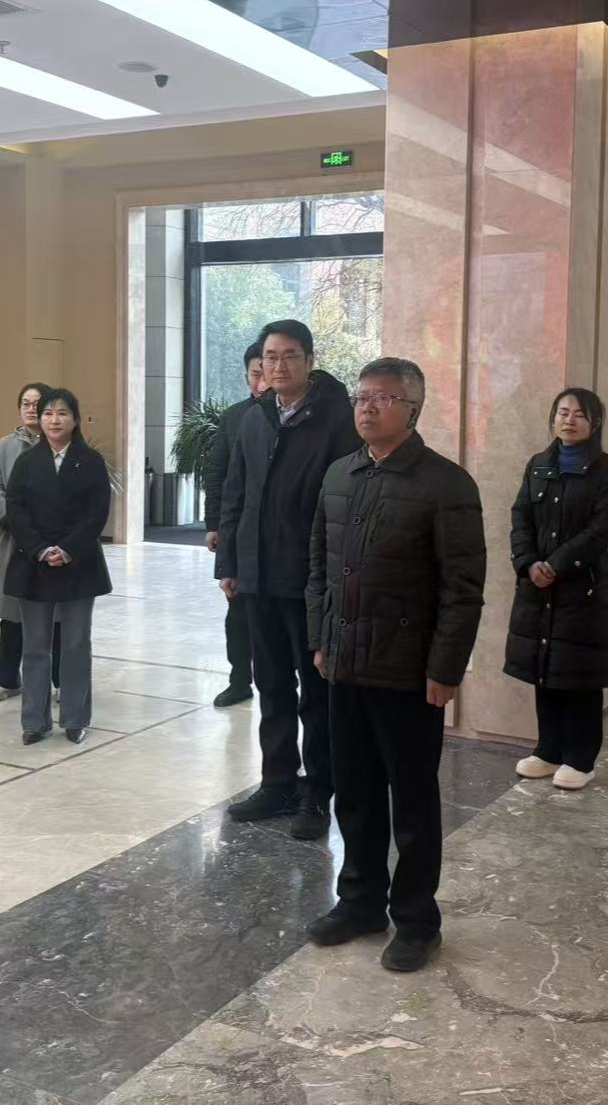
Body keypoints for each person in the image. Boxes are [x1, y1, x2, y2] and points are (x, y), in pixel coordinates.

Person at [305, 358, 485, 973]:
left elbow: (462, 588)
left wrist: (445, 669)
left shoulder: (446, 484)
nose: (366, 406)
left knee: (411, 803)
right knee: (354, 795)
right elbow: (319, 567)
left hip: (408, 672)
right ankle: (359, 902)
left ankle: (416, 920)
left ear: (413, 409)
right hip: (344, 664)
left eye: (382, 398)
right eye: (361, 396)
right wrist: (321, 639)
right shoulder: (339, 474)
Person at [218, 319, 363, 840]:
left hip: (308, 581)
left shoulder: (337, 419)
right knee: (271, 687)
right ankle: (277, 783)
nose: (278, 366)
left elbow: (344, 506)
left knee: (316, 695)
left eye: (290, 356)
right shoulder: (255, 417)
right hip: (257, 577)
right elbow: (235, 492)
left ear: (310, 360)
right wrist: (229, 563)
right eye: (270, 357)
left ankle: (317, 793)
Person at [503, 388, 608, 789]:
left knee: (580, 674)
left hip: (580, 589)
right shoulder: (538, 464)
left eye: (579, 414)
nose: (569, 420)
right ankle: (548, 750)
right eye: (562, 412)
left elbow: (602, 529)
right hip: (538, 587)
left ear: (595, 423)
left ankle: (580, 758)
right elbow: (520, 517)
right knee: (546, 668)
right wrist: (527, 563)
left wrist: (556, 565)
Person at [4, 387, 112, 746]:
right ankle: (34, 722)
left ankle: (76, 718)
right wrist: (40, 548)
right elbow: (15, 509)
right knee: (35, 646)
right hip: (33, 563)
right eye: (48, 413)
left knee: (76, 644)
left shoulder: (91, 461)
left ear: (75, 420)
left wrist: (66, 549)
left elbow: (97, 513)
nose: (54, 420)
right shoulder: (26, 461)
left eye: (62, 413)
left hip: (78, 563)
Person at [0, 382, 60, 702]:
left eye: (36, 403)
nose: (30, 409)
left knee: (57, 615)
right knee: (12, 615)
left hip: (54, 542)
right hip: (15, 542)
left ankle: (61, 680)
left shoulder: (65, 446)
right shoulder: (5, 446)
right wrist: (20, 523)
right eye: (25, 403)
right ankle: (7, 679)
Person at [204, 342, 266, 708]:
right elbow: (218, 474)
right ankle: (239, 680)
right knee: (236, 611)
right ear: (247, 376)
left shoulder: (296, 418)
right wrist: (214, 524)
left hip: (275, 535)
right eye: (256, 373)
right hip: (239, 529)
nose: (263, 381)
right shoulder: (234, 416)